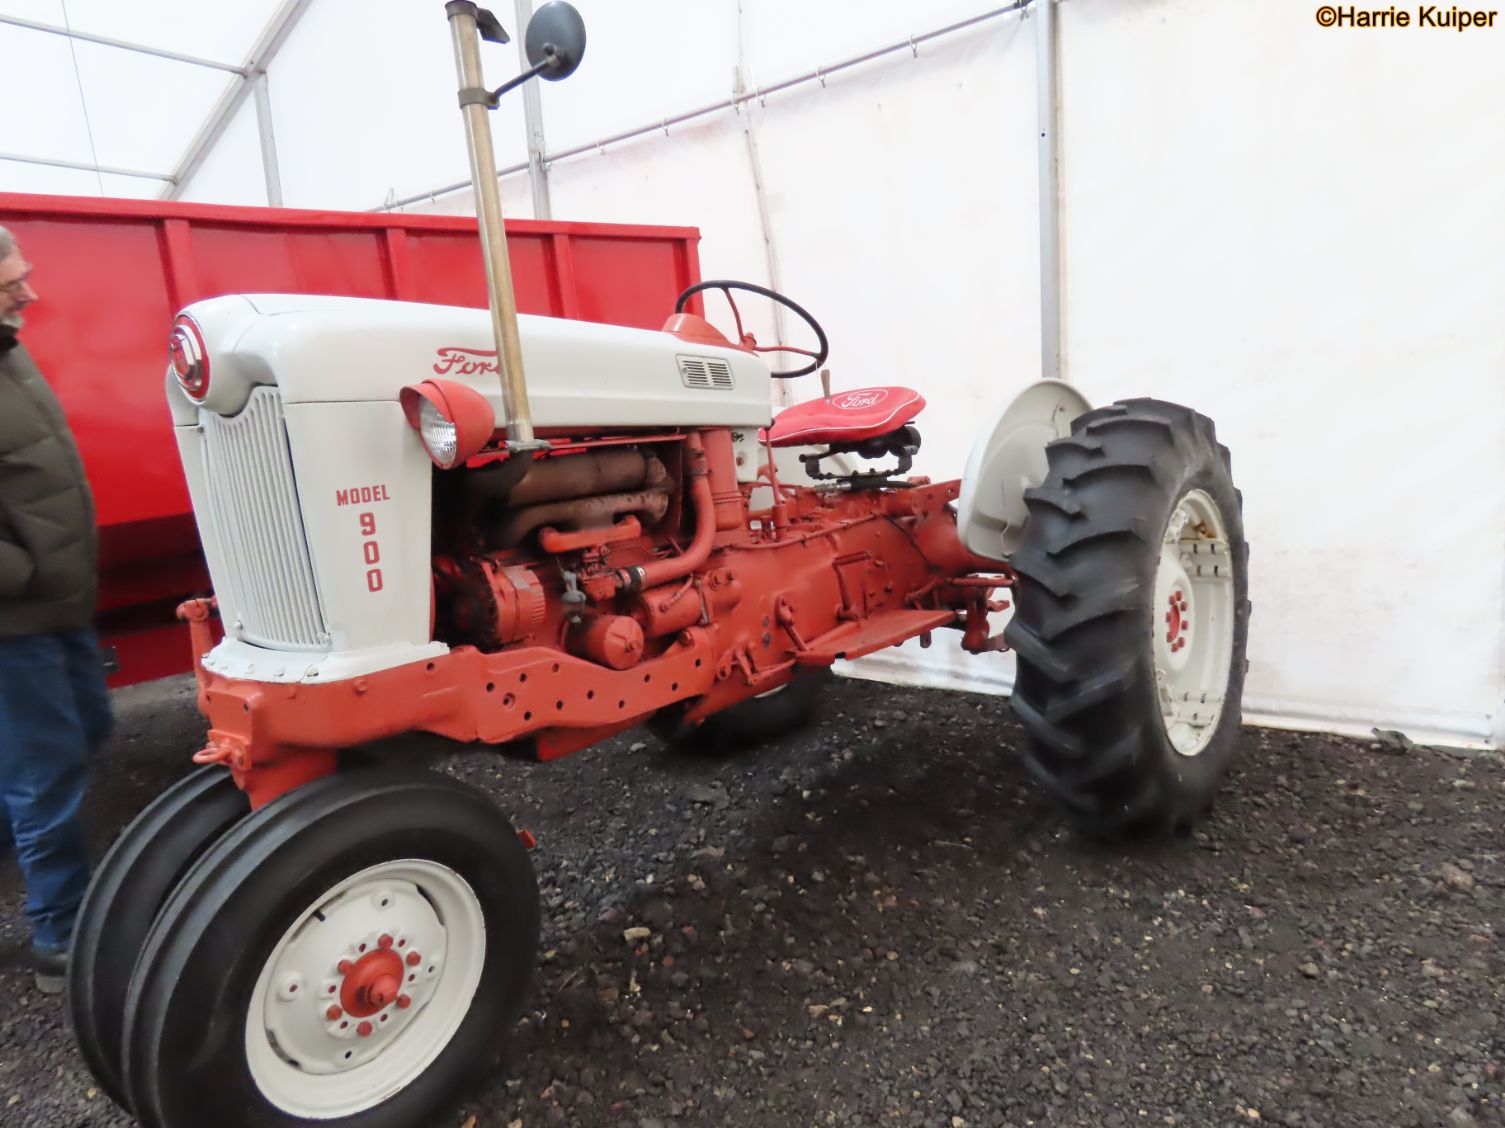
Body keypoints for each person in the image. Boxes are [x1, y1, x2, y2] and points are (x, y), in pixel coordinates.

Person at [0, 226, 112, 994]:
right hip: (16, 619)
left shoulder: (9, 351)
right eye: (12, 283)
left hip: (60, 603)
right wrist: (27, 571)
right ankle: (59, 934)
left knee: (89, 729)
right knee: (46, 772)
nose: (30, 293)